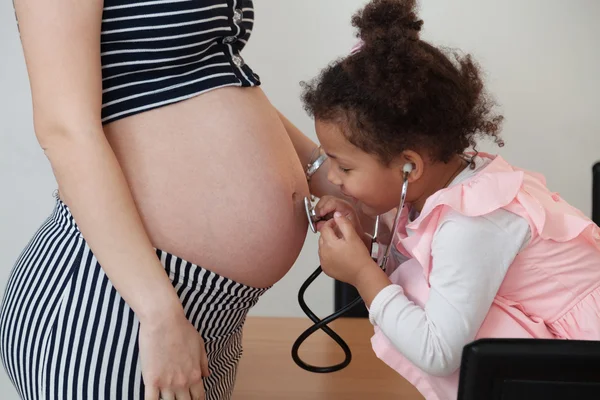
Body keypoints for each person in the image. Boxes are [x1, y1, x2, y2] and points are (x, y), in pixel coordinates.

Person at [0, 1, 336, 399]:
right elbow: (64, 131)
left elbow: (212, 76)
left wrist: (325, 174)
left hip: (207, 315)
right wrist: (158, 313)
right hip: (116, 305)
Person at [300, 0, 600, 399]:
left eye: (344, 167)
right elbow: (423, 254)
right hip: (561, 350)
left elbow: (439, 352)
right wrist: (364, 235)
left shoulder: (472, 224)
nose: (333, 179)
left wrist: (361, 273)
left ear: (409, 167)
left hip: (587, 362)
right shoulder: (455, 185)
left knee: (418, 296)